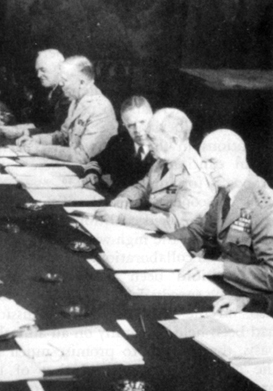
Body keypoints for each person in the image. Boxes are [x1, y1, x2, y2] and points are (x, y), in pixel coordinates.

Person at [170, 129, 273, 295]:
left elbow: (271, 275)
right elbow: (201, 231)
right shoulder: (225, 192)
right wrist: (162, 244)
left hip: (249, 298)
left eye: (213, 161)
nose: (207, 170)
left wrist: (219, 267)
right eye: (204, 163)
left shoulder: (265, 206)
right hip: (221, 286)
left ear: (238, 159)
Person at [95, 108, 215, 232]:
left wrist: (122, 217)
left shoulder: (195, 175)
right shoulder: (163, 160)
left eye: (152, 138)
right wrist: (126, 199)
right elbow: (143, 188)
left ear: (174, 140)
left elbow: (173, 223)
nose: (147, 143)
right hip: (151, 232)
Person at [17, 55, 117, 164]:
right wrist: (36, 140)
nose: (60, 84)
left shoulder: (99, 107)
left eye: (64, 80)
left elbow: (82, 156)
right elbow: (62, 137)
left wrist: (40, 149)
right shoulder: (76, 101)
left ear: (82, 82)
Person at [92, 95, 155, 196]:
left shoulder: (165, 148)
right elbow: (97, 162)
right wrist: (92, 173)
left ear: (152, 118)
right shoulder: (119, 142)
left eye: (142, 122)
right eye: (131, 125)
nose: (138, 130)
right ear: (124, 125)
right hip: (116, 204)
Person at [2, 49, 69, 137]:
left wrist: (23, 132)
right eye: (37, 71)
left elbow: (56, 129)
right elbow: (37, 120)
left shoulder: (68, 93)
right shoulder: (48, 89)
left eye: (43, 70)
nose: (38, 75)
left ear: (59, 69)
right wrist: (11, 119)